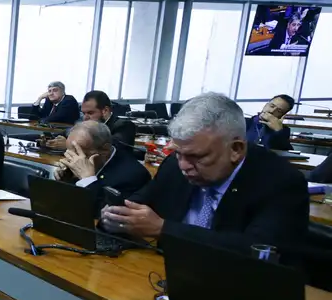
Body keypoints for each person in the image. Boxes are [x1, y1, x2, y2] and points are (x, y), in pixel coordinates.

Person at [101, 93, 309, 251]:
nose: (184, 165)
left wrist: (163, 229)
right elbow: (142, 200)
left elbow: (256, 249)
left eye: (197, 157)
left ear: (236, 149)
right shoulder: (175, 165)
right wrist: (117, 215)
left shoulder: (282, 183)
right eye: (179, 153)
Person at [54, 120, 151, 215]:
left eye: (79, 153)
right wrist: (65, 179)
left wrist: (87, 179)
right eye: (70, 153)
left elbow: (106, 215)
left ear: (105, 150)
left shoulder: (134, 175)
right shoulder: (80, 162)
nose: (74, 160)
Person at [42, 90, 137, 151]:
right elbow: (65, 133)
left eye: (90, 113)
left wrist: (69, 145)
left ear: (105, 111)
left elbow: (111, 147)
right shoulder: (87, 124)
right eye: (84, 113)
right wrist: (49, 139)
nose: (85, 118)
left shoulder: (124, 125)